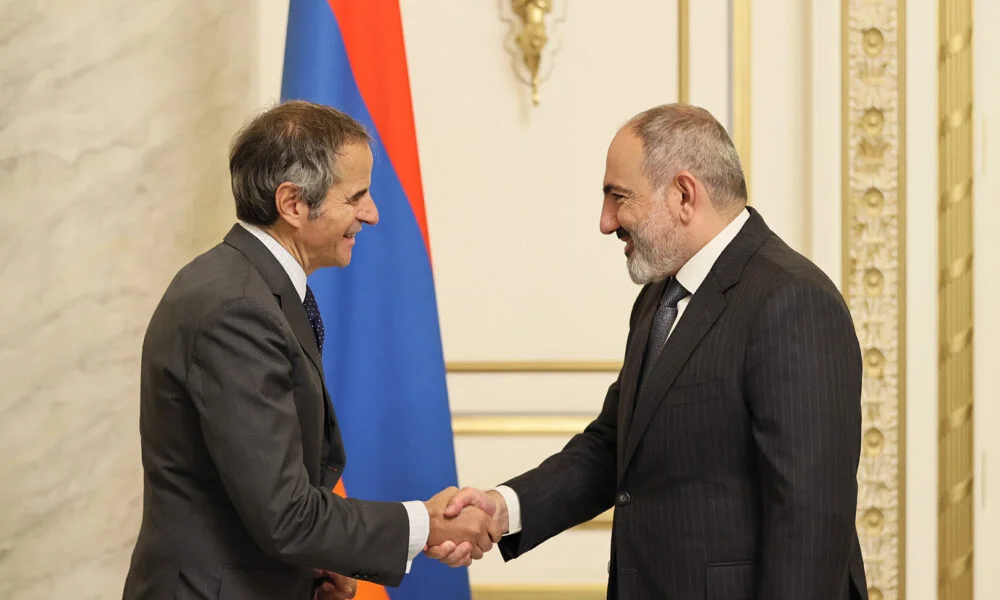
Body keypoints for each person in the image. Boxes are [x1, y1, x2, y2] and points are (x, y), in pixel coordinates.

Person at [429, 104, 869, 600]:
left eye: (618, 197)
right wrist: (503, 508)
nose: (605, 221)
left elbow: (811, 518)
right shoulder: (659, 299)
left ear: (683, 194)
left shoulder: (792, 299)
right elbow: (614, 448)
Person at [122, 100, 498, 600]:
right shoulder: (238, 308)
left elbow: (249, 490)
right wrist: (425, 523)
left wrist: (308, 572)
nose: (372, 213)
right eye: (356, 196)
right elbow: (284, 514)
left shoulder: (246, 285)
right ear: (293, 203)